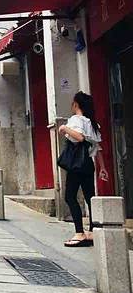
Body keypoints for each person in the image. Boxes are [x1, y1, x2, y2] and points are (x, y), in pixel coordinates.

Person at [58, 91, 109, 247]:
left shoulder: (76, 119)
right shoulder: (92, 124)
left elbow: (79, 137)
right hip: (88, 164)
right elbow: (97, 148)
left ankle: (79, 233)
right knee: (89, 197)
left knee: (70, 196)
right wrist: (102, 167)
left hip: (76, 164)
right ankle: (92, 231)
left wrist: (64, 128)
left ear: (76, 104)